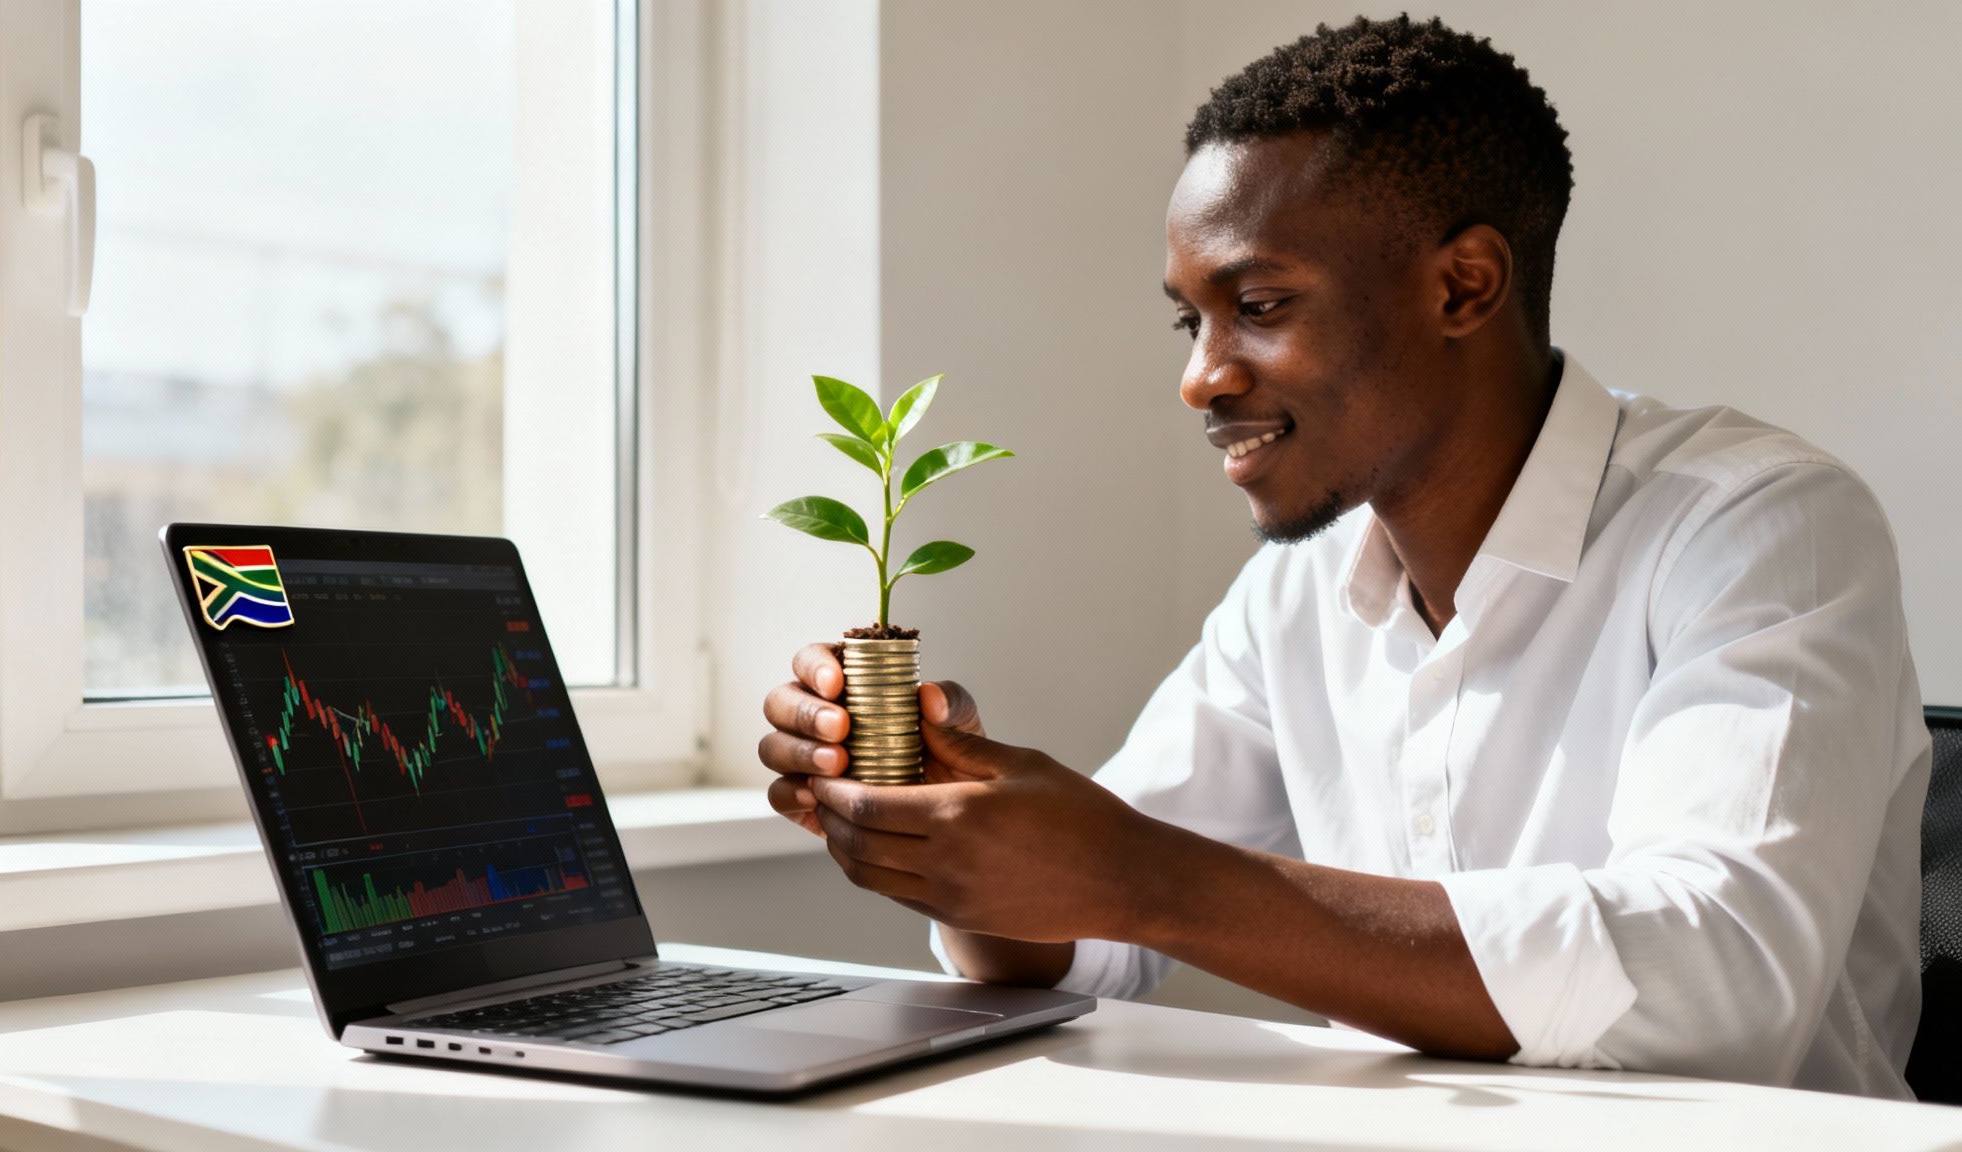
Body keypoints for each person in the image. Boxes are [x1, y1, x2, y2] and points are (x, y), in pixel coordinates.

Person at [755, 14, 1929, 1098]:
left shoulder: (1759, 525)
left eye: (1257, 302)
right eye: (1189, 319)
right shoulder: (1298, 588)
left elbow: (1713, 988)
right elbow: (1083, 939)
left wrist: (1139, 875)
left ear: (1461, 285)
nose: (1199, 376)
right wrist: (949, 828)